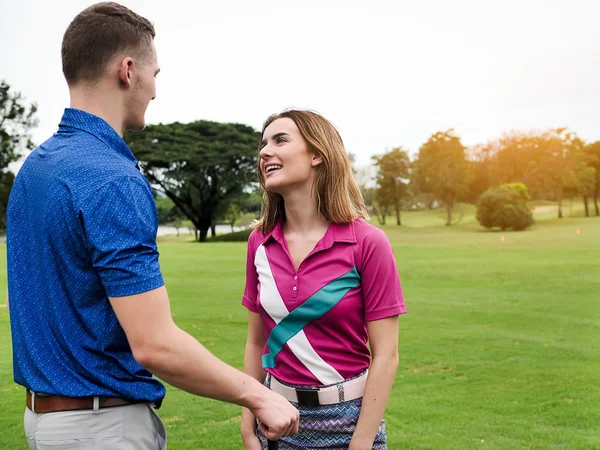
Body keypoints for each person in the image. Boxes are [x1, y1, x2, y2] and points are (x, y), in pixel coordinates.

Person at [6, 3, 298, 449]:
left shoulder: (37, 168)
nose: (155, 90)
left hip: (46, 422)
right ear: (127, 70)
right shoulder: (112, 178)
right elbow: (154, 344)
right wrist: (259, 396)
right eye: (154, 74)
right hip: (100, 428)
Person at [239, 109, 407, 450]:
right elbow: (256, 343)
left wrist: (360, 443)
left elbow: (386, 354)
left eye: (280, 140)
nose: (264, 152)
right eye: (263, 144)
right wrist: (248, 425)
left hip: (350, 425)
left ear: (317, 154)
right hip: (276, 422)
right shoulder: (259, 242)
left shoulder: (367, 242)